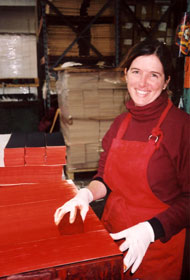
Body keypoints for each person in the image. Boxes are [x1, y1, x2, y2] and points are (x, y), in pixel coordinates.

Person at [54, 39, 190, 280]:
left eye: (154, 75)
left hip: (156, 248)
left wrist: (150, 230)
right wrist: (85, 194)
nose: (143, 83)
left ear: (167, 81)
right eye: (136, 72)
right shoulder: (120, 124)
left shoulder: (181, 127)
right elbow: (105, 178)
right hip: (113, 240)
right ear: (126, 74)